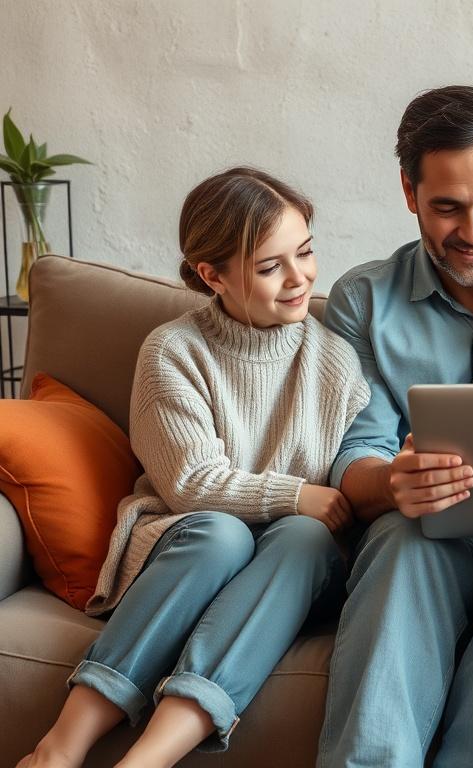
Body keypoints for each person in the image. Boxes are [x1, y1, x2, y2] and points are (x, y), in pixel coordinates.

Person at [17, 167, 369, 768]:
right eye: (269, 266)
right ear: (213, 275)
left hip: (290, 566)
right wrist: (294, 493)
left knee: (309, 537)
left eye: (304, 253)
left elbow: (347, 474)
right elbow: (190, 482)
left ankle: (147, 759)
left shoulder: (334, 358)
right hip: (191, 542)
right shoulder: (172, 350)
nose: (300, 278)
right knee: (222, 532)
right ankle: (60, 748)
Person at [317, 85, 473, 768]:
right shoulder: (362, 301)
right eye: (448, 207)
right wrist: (395, 480)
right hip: (418, 536)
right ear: (408, 191)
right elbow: (353, 456)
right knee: (403, 533)